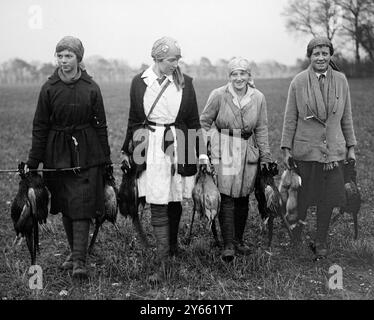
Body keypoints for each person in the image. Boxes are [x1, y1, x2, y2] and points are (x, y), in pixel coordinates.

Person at [26, 36, 112, 278]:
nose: (64, 61)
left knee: (82, 205)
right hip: (57, 155)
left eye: (69, 56)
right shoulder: (49, 88)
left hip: (87, 153)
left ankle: (79, 263)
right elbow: (40, 126)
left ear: (78, 58)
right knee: (66, 204)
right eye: (60, 56)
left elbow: (101, 125)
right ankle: (76, 254)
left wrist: (105, 159)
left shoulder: (91, 88)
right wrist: (34, 162)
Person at [120, 36, 202, 282]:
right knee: (157, 198)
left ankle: (172, 246)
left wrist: (201, 153)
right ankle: (163, 261)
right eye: (170, 60)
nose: (175, 64)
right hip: (151, 144)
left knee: (175, 195)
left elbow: (193, 120)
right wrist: (127, 150)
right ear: (156, 58)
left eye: (178, 59)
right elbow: (134, 118)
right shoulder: (139, 82)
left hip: (180, 142)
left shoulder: (185, 83)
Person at [280, 36, 357, 259]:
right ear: (309, 56)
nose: (321, 58)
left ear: (330, 55)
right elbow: (290, 118)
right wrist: (286, 148)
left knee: (328, 198)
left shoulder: (341, 80)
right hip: (306, 151)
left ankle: (320, 239)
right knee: (303, 197)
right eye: (316, 54)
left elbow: (347, 116)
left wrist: (351, 146)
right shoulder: (299, 81)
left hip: (334, 152)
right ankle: (297, 234)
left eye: (325, 53)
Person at [200, 57, 273, 262]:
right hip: (224, 148)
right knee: (228, 196)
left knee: (243, 196)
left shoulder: (258, 97)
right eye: (234, 73)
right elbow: (204, 122)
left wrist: (265, 155)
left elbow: (262, 127)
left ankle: (239, 240)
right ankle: (228, 244)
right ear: (229, 76)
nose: (239, 78)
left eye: (243, 73)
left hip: (249, 150)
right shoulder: (218, 95)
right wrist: (203, 152)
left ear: (250, 75)